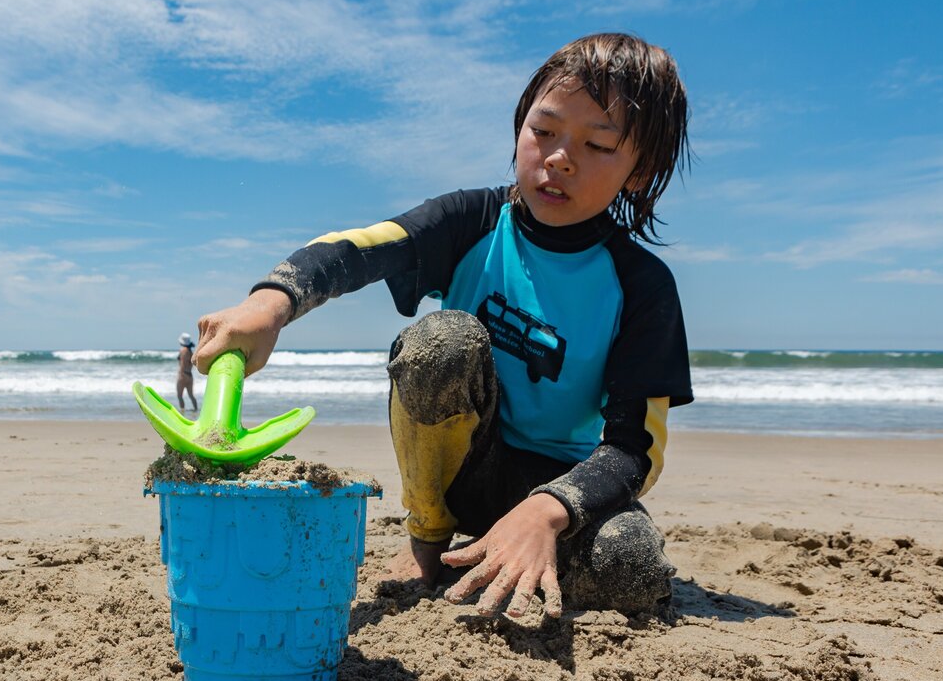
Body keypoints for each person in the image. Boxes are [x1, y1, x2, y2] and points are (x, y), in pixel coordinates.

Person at [193, 33, 693, 620]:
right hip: (463, 474)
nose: (558, 157)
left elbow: (637, 448)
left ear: (641, 172)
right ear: (519, 127)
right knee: (440, 341)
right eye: (544, 131)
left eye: (597, 144)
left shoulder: (641, 284)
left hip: (563, 492)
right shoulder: (472, 221)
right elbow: (360, 248)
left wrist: (548, 510)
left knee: (632, 566)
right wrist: (270, 304)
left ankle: (510, 551)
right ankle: (428, 546)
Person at [176, 333, 198, 412]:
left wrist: (180, 375)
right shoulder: (190, 352)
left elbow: (182, 364)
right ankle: (196, 411)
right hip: (190, 375)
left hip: (183, 375)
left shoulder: (183, 350)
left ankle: (182, 411)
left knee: (179, 396)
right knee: (191, 395)